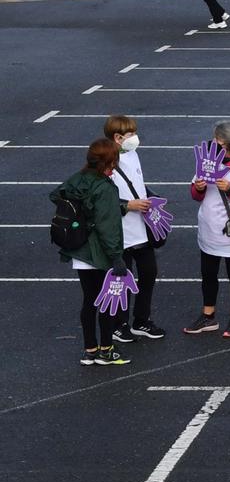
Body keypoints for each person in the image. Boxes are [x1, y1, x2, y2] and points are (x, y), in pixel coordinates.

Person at [56, 137, 130, 365]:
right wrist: (117, 256)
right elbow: (108, 226)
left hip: (79, 251)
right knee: (107, 301)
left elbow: (56, 194)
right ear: (110, 162)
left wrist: (83, 214)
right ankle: (107, 350)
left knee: (89, 300)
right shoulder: (105, 187)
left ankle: (90, 349)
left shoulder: (78, 179)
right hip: (100, 253)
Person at [184, 119, 230, 339]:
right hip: (208, 228)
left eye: (217, 139)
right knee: (208, 273)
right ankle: (208, 316)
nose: (213, 142)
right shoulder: (208, 160)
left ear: (228, 144)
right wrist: (198, 187)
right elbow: (196, 195)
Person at [103, 115, 164, 344]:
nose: (134, 138)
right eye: (130, 135)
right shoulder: (106, 162)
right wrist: (127, 205)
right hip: (120, 234)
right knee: (121, 281)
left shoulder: (133, 155)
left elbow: (137, 184)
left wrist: (149, 198)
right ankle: (119, 324)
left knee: (148, 273)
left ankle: (141, 320)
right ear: (118, 138)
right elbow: (99, 198)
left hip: (141, 229)